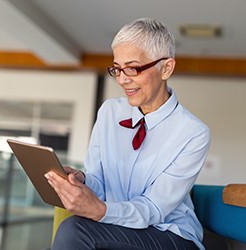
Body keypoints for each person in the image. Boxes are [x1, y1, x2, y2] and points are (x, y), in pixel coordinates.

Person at [44, 17, 210, 250]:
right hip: (118, 226)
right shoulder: (110, 112)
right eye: (117, 69)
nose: (122, 79)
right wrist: (83, 180)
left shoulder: (193, 133)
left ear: (166, 68)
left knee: (75, 231)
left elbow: (154, 209)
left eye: (133, 68)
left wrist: (101, 211)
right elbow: (99, 182)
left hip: (171, 234)